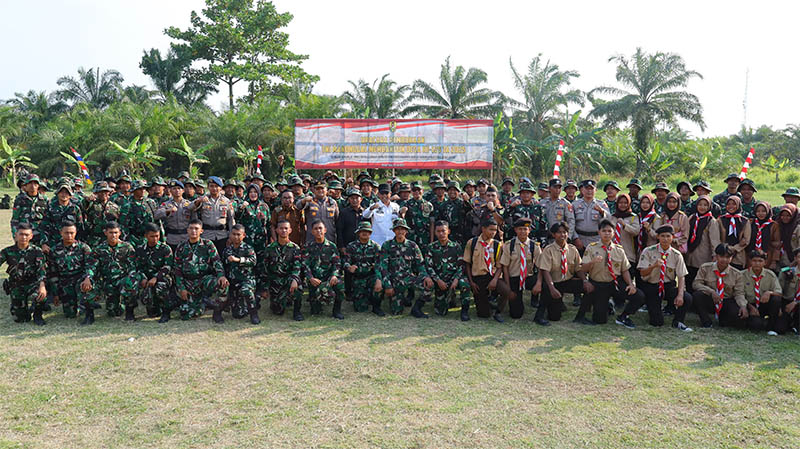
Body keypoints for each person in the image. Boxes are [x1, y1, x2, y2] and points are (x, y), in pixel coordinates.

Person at [579, 219, 644, 326]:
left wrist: (631, 284)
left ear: (614, 233)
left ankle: (624, 316)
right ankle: (607, 305)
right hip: (598, 284)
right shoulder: (591, 247)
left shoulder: (619, 250)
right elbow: (583, 269)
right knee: (600, 320)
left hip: (615, 283)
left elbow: (624, 270)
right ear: (599, 232)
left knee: (639, 296)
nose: (607, 233)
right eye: (604, 231)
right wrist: (592, 262)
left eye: (610, 231)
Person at [634, 225, 693, 331]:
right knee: (657, 322)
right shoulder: (648, 251)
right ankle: (654, 309)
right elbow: (642, 273)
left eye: (668, 236)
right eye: (662, 236)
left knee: (686, 297)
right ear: (657, 237)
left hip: (668, 286)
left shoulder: (676, 255)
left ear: (672, 237)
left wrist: (680, 295)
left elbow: (681, 276)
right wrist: (653, 266)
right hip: (652, 286)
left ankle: (678, 321)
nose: (665, 239)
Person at [173, 219, 229, 321]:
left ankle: (217, 311)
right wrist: (182, 288)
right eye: (191, 228)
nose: (193, 231)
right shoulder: (181, 247)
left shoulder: (208, 244)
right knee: (186, 315)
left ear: (201, 231)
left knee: (222, 283)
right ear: (187, 230)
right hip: (188, 283)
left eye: (196, 229)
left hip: (203, 280)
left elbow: (217, 261)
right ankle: (203, 302)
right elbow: (177, 269)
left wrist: (221, 275)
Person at [375, 218, 432, 317]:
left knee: (429, 285)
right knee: (396, 312)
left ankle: (416, 309)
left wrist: (426, 276)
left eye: (402, 229)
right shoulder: (387, 245)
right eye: (397, 229)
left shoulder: (412, 245)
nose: (400, 231)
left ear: (406, 231)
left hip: (408, 278)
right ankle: (401, 299)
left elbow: (420, 264)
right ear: (393, 230)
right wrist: (388, 285)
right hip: (394, 281)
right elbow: (383, 266)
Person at [532, 222, 584, 325]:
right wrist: (552, 289)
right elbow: (545, 270)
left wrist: (585, 281)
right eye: (559, 232)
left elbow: (579, 268)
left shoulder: (573, 249)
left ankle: (581, 316)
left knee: (590, 286)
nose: (562, 235)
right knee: (554, 317)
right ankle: (539, 316)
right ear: (553, 234)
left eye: (564, 232)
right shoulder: (548, 250)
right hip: (553, 283)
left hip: (567, 281)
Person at [47, 221, 98, 323]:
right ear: (61, 233)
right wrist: (55, 293)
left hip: (81, 278)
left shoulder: (83, 247)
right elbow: (53, 273)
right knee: (70, 314)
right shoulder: (54, 250)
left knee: (86, 286)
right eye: (66, 233)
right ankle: (77, 306)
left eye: (72, 233)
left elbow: (91, 265)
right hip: (65, 282)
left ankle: (89, 313)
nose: (69, 235)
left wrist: (88, 278)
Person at [463, 218, 512, 322]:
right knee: (483, 314)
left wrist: (495, 279)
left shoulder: (497, 245)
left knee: (506, 291)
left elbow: (500, 265)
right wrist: (471, 282)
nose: (493, 233)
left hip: (493, 275)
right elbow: (467, 264)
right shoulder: (472, 243)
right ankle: (488, 304)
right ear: (483, 229)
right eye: (491, 230)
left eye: (495, 230)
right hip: (478, 277)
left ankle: (498, 312)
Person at [124, 223, 174, 322]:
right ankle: (129, 311)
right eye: (152, 236)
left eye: (157, 236)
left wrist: (156, 277)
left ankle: (165, 312)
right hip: (145, 277)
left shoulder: (165, 249)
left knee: (161, 285)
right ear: (146, 236)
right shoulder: (139, 249)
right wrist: (142, 277)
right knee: (131, 281)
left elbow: (168, 266)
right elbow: (135, 266)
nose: (155, 239)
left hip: (160, 277)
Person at [0, 223, 47, 325]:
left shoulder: (37, 251)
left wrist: (42, 285)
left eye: (26, 235)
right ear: (15, 235)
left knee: (40, 295)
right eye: (21, 234)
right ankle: (24, 309)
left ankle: (37, 314)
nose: (24, 237)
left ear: (31, 236)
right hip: (16, 286)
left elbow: (41, 270)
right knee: (20, 319)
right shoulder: (7, 251)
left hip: (32, 284)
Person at [426, 220, 473, 321]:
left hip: (454, 278)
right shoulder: (431, 248)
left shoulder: (456, 247)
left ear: (449, 231)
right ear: (435, 233)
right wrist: (438, 281)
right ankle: (450, 299)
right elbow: (429, 267)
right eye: (438, 231)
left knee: (464, 283)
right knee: (441, 313)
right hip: (440, 280)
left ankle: (464, 311)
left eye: (443, 231)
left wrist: (456, 279)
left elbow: (461, 266)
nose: (441, 234)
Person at [692, 243, 745, 329]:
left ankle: (723, 320)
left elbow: (739, 293)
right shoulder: (705, 268)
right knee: (697, 295)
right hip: (710, 299)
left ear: (731, 258)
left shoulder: (737, 274)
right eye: (721, 256)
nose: (724, 260)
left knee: (736, 318)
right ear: (716, 256)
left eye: (728, 257)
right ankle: (706, 321)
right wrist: (711, 292)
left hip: (726, 300)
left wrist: (743, 306)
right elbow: (696, 284)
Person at [92, 221, 137, 320]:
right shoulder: (99, 249)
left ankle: (130, 312)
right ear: (105, 233)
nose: (113, 235)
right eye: (111, 232)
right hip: (108, 281)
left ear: (120, 233)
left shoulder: (127, 247)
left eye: (116, 232)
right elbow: (93, 266)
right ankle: (119, 305)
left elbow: (132, 267)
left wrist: (130, 279)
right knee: (113, 312)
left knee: (131, 283)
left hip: (123, 280)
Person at [260, 219, 303, 319]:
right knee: (277, 311)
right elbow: (265, 269)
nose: (283, 230)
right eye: (281, 228)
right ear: (277, 230)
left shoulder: (295, 248)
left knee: (298, 286)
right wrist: (265, 288)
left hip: (288, 279)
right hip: (275, 282)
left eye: (286, 228)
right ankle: (282, 300)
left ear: (290, 230)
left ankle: (297, 312)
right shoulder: (270, 248)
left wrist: (295, 279)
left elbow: (297, 266)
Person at [302, 220, 345, 319]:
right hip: (315, 280)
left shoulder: (332, 246)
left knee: (340, 285)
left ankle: (336, 311)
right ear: (312, 232)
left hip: (329, 278)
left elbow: (337, 263)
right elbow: (305, 265)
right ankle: (316, 303)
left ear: (325, 230)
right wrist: (310, 278)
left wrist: (334, 275)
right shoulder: (308, 247)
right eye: (315, 229)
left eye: (320, 228)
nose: (318, 231)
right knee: (316, 312)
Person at [499, 218, 541, 320]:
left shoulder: (534, 246)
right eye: (520, 229)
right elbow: (505, 267)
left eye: (525, 229)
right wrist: (508, 288)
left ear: (529, 230)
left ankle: (545, 309)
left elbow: (541, 267)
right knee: (516, 314)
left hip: (528, 278)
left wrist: (539, 283)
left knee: (547, 285)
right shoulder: (509, 245)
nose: (523, 231)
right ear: (515, 230)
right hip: (514, 279)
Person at [222, 224, 259, 324]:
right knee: (237, 315)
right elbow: (223, 265)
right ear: (230, 235)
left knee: (246, 290)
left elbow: (253, 261)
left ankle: (254, 314)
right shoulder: (227, 250)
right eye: (233, 234)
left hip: (246, 280)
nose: (236, 237)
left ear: (244, 235)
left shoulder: (248, 248)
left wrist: (238, 260)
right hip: (233, 282)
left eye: (238, 234)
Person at [342, 221, 382, 314]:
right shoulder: (351, 246)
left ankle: (376, 306)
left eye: (367, 231)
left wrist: (379, 279)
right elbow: (345, 261)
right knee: (360, 309)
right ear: (358, 233)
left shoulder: (376, 247)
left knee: (379, 284)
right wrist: (349, 267)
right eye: (362, 231)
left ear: (370, 233)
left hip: (372, 276)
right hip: (358, 278)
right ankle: (365, 298)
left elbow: (379, 264)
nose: (365, 233)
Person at [741, 250, 782, 335]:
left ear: (765, 262)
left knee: (776, 299)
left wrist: (769, 292)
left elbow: (779, 292)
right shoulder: (742, 275)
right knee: (756, 326)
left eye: (760, 261)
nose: (757, 263)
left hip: (763, 304)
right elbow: (739, 294)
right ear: (750, 261)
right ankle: (758, 321)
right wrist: (750, 307)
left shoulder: (770, 275)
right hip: (750, 304)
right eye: (754, 261)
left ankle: (771, 326)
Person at [191, 176, 234, 255]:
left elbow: (231, 220)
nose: (214, 189)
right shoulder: (203, 199)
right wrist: (198, 201)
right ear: (208, 187)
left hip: (222, 235)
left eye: (216, 186)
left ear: (220, 188)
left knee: (222, 258)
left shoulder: (226, 201)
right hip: (207, 235)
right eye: (211, 186)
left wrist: (231, 236)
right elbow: (190, 208)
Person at [685, 196, 719, 291]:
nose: (702, 207)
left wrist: (715, 255)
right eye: (700, 204)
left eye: (705, 205)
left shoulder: (711, 221)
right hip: (690, 254)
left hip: (703, 255)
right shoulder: (692, 217)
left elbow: (714, 240)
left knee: (699, 280)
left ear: (709, 206)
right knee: (688, 278)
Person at [40, 181, 83, 254]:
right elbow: (44, 226)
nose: (64, 194)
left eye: (66, 192)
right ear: (57, 194)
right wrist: (44, 243)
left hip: (71, 244)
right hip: (54, 243)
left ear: (70, 195)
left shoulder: (75, 209)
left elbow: (80, 227)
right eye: (61, 192)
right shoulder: (50, 208)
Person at [154, 180, 194, 251]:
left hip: (186, 237)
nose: (177, 190)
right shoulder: (166, 204)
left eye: (179, 188)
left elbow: (194, 220)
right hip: (172, 238)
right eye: (174, 188)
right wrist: (167, 211)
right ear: (170, 191)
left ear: (183, 190)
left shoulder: (189, 204)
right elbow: (156, 215)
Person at [297, 181, 339, 245]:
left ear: (326, 190)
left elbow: (337, 220)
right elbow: (298, 206)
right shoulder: (309, 201)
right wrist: (303, 201)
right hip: (312, 239)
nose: (320, 191)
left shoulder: (332, 203)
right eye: (317, 189)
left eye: (322, 188)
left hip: (329, 238)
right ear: (314, 190)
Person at [572, 179, 610, 250]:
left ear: (596, 190)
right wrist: (575, 238)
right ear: (582, 190)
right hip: (580, 240)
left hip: (596, 240)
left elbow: (609, 220)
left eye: (591, 189)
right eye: (587, 188)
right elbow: (571, 223)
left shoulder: (602, 204)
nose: (589, 191)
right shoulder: (575, 204)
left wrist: (602, 211)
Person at [10, 173, 48, 244]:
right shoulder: (20, 200)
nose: (33, 186)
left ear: (38, 186)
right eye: (30, 183)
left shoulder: (45, 200)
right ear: (26, 186)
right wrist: (16, 235)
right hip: (24, 235)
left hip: (41, 235)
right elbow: (15, 220)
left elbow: (48, 220)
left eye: (35, 183)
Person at [119, 180, 158, 248]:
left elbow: (157, 221)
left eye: (144, 188)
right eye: (140, 189)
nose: (142, 191)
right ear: (134, 191)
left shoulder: (151, 203)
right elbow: (124, 226)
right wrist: (127, 241)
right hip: (135, 239)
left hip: (151, 238)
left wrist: (161, 238)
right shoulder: (127, 206)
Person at [714, 196, 750, 270]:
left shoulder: (745, 221)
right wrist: (724, 249)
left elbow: (746, 239)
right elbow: (716, 237)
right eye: (728, 204)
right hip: (722, 254)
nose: (731, 206)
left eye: (734, 204)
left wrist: (733, 249)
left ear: (739, 205)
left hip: (738, 254)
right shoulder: (720, 219)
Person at [81, 181, 120, 247]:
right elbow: (83, 207)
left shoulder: (115, 207)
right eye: (101, 192)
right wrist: (88, 200)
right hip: (94, 239)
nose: (103, 194)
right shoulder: (91, 204)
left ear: (109, 192)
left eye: (105, 191)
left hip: (109, 239)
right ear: (96, 193)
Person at [539, 178, 576, 243]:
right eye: (555, 187)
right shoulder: (542, 203)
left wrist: (568, 237)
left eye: (559, 188)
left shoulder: (565, 204)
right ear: (549, 188)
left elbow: (571, 221)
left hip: (561, 238)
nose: (557, 190)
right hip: (545, 238)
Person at [402, 182, 435, 246]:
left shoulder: (429, 205)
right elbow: (402, 221)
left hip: (425, 239)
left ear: (422, 190)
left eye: (419, 190)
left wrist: (431, 241)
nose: (417, 192)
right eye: (414, 190)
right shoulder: (407, 204)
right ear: (411, 191)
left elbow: (432, 224)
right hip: (411, 239)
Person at [746, 201, 776, 269]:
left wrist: (774, 261)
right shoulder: (751, 222)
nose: (761, 213)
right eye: (758, 211)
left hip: (767, 256)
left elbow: (777, 244)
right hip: (751, 255)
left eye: (763, 211)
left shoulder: (774, 225)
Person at [778, 248, 800, 335]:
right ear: (795, 258)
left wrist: (796, 302)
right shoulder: (786, 272)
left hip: (798, 304)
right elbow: (779, 290)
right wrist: (779, 307)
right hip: (786, 303)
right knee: (780, 329)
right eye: (799, 257)